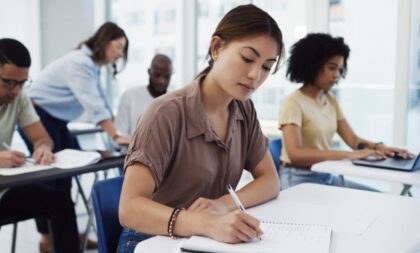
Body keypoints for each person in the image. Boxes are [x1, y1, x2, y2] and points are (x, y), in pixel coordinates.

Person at [117, 4, 284, 252]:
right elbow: (129, 209)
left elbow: (270, 180)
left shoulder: (244, 110)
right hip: (151, 239)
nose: (254, 75)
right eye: (247, 58)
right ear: (216, 48)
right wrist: (207, 223)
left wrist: (222, 206)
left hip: (205, 238)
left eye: (266, 67)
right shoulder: (166, 113)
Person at [20, 21, 129, 251]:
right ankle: (47, 239)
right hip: (37, 115)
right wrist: (116, 136)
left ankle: (66, 235)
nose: (119, 54)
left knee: (68, 176)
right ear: (104, 42)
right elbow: (92, 104)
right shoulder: (79, 63)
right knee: (49, 178)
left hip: (56, 119)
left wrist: (115, 134)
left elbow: (103, 104)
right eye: (118, 47)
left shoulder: (92, 65)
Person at [278, 33, 413, 189]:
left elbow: (354, 141)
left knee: (378, 197)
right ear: (312, 64)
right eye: (331, 67)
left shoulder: (330, 100)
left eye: (340, 69)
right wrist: (349, 155)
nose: (336, 75)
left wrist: (381, 148)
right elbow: (296, 155)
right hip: (298, 178)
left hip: (326, 175)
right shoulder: (293, 103)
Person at [0, 38, 80, 253]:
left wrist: (43, 147)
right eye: (9, 82)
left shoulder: (19, 98)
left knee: (60, 202)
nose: (16, 90)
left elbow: (42, 138)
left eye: (22, 83)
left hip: (3, 192)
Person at [115, 54, 173, 135]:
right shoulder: (129, 97)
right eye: (157, 75)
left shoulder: (174, 103)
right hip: (132, 147)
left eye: (166, 77)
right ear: (149, 72)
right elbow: (119, 135)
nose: (161, 81)